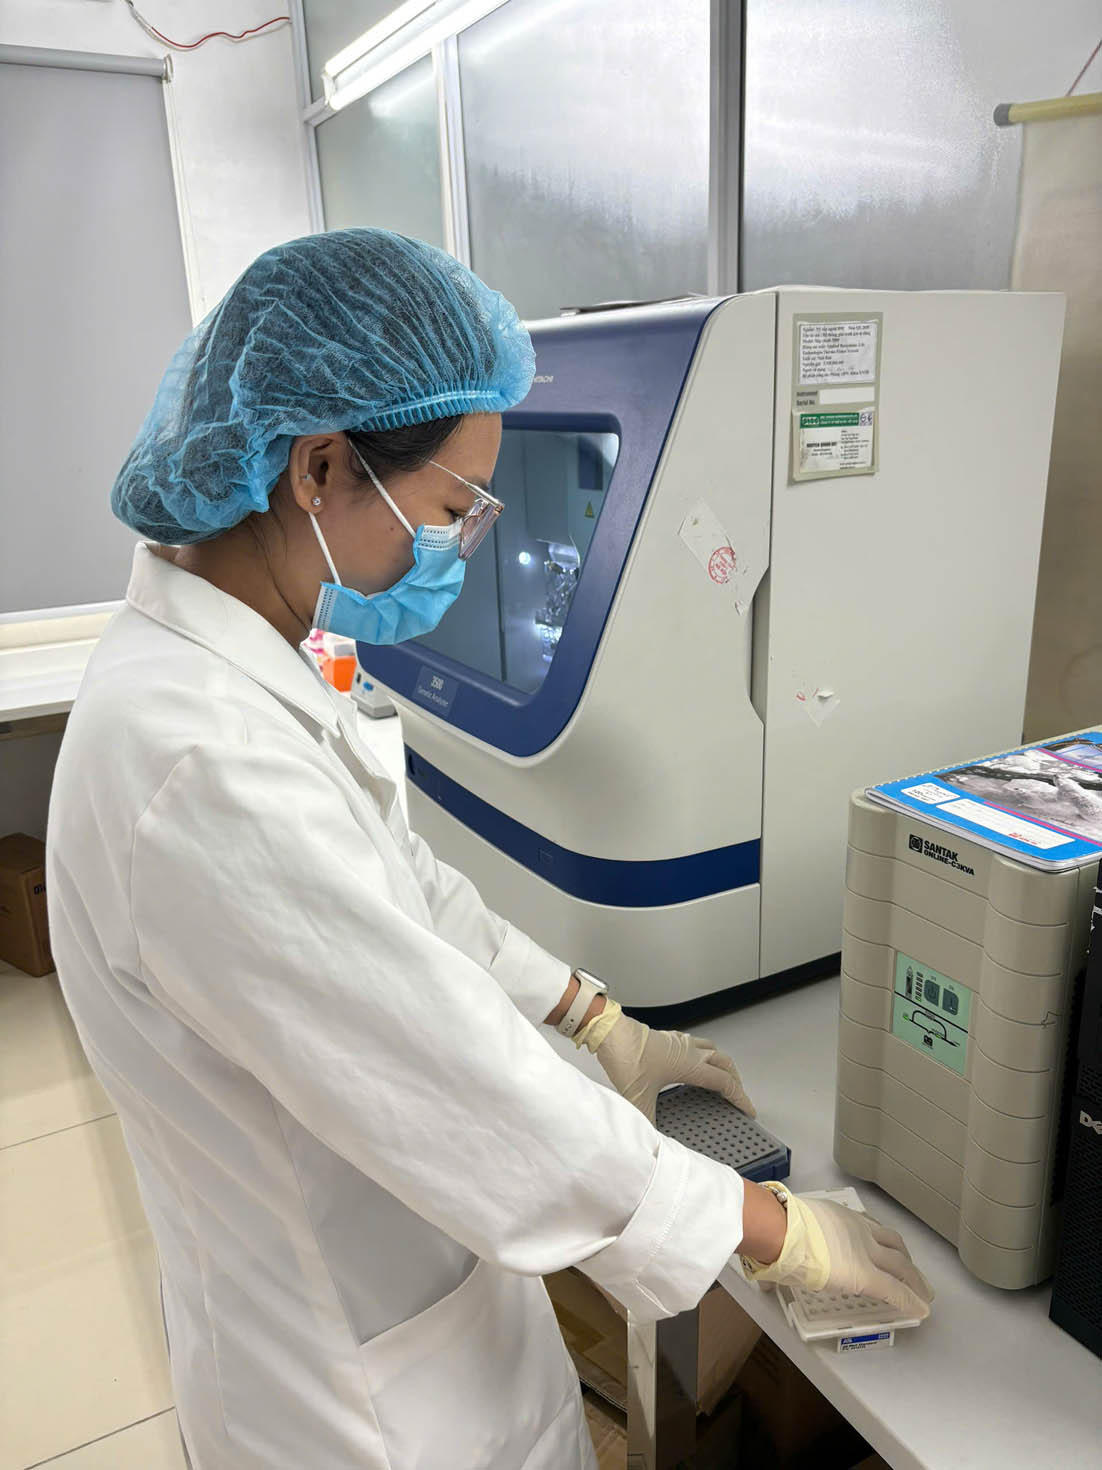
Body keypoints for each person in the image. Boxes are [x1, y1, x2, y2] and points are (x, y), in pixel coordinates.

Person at [46, 229, 931, 1470]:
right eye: (452, 507)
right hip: (350, 1403)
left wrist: (595, 1019)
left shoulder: (230, 674)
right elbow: (454, 1081)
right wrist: (769, 1229)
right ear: (318, 467)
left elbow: (397, 893)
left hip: (394, 1308)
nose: (462, 548)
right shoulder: (198, 767)